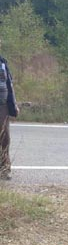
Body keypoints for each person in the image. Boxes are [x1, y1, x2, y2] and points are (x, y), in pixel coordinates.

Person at [0, 45, 19, 180]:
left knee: (4, 138)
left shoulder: (3, 62)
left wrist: (14, 104)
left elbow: (9, 84)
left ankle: (4, 169)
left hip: (3, 105)